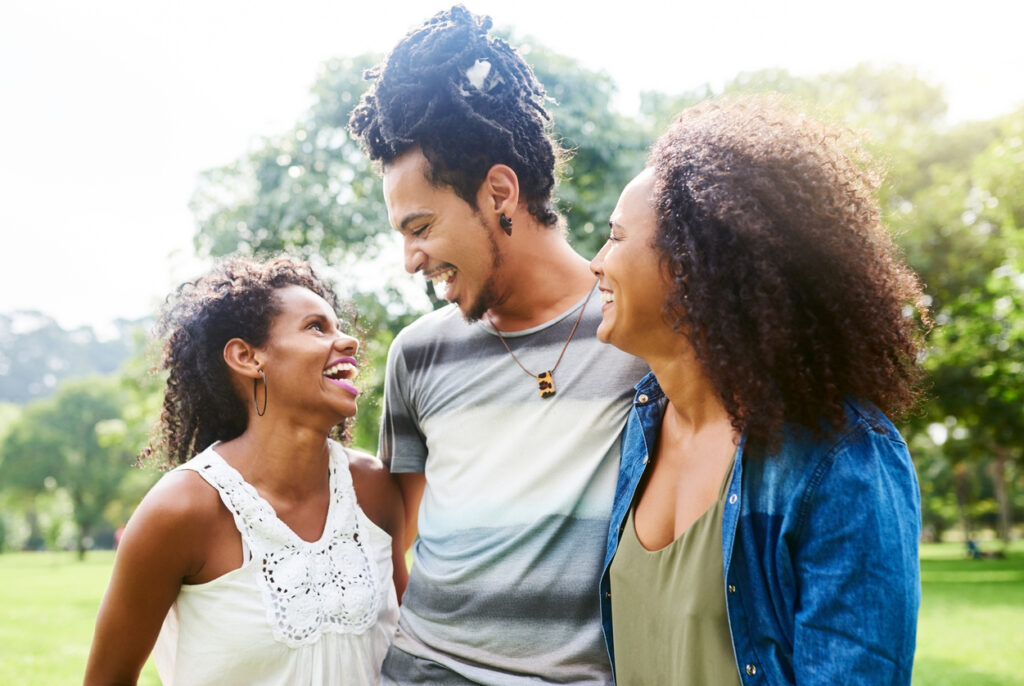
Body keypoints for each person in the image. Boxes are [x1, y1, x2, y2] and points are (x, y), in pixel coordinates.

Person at [349, 6, 648, 684]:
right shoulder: (417, 354)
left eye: (419, 226)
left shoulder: (638, 335)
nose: (410, 259)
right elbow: (401, 540)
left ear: (500, 192)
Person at [590, 97, 927, 685]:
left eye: (616, 238)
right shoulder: (639, 429)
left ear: (689, 267)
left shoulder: (841, 457)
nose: (597, 263)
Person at [84, 257, 406, 686]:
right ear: (246, 357)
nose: (347, 341)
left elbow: (412, 649)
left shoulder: (375, 488)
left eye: (340, 326)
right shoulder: (181, 509)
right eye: (316, 327)